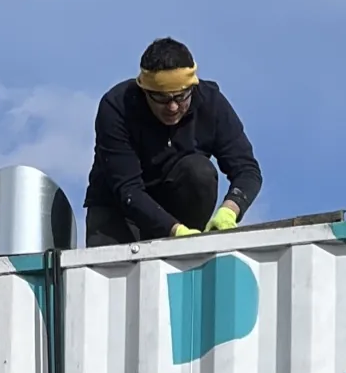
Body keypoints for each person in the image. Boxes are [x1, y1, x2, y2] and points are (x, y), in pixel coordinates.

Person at [83, 38, 261, 248]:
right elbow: (127, 189)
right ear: (145, 91)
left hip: (177, 202)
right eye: (162, 99)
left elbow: (247, 170)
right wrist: (175, 230)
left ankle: (189, 244)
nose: (173, 107)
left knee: (199, 171)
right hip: (119, 208)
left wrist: (230, 210)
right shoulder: (116, 107)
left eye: (181, 96)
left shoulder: (212, 104)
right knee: (107, 274)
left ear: (193, 88)